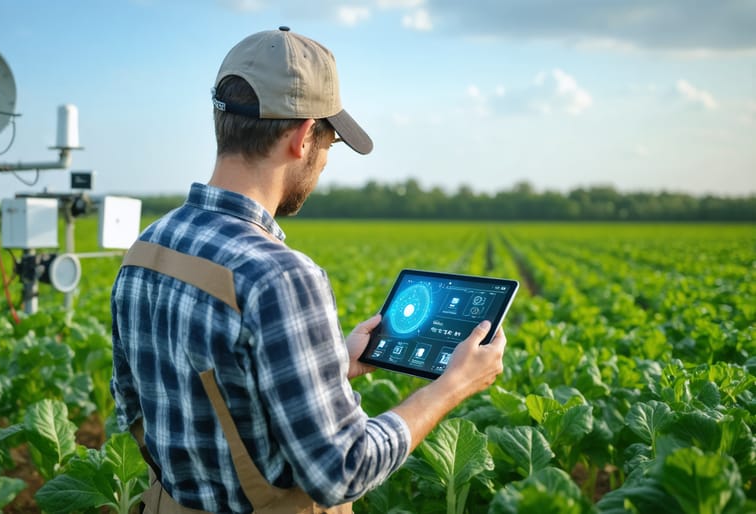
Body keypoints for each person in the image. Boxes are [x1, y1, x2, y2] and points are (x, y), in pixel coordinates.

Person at [111, 26, 507, 513]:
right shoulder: (280, 277)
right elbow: (343, 468)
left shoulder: (145, 250)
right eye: (330, 142)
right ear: (303, 137)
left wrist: (332, 364)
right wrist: (451, 388)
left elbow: (135, 406)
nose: (323, 163)